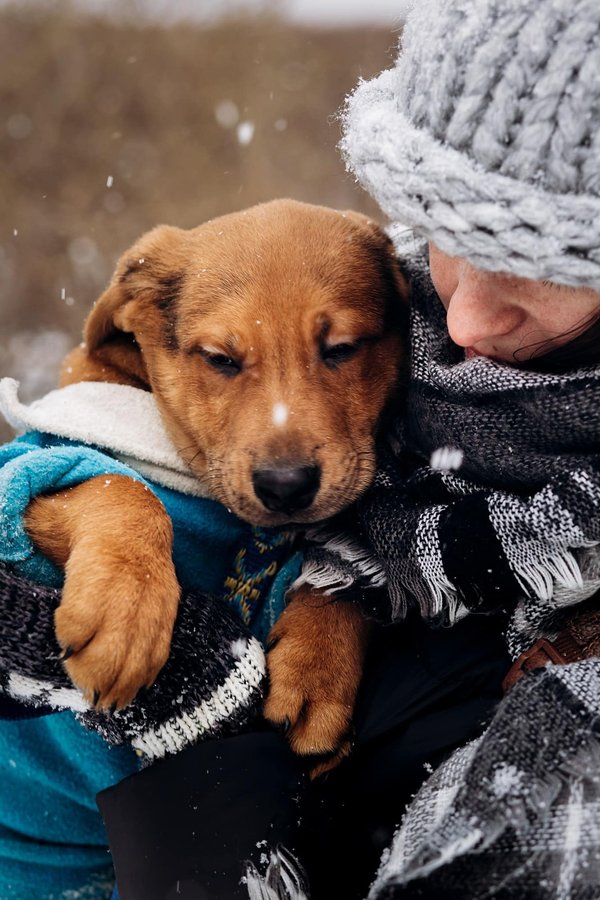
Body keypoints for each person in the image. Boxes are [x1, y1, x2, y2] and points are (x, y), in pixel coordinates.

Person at [1, 0, 600, 898]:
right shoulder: (131, 428)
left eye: (339, 349)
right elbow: (43, 483)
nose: (468, 319)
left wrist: (335, 622)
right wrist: (116, 528)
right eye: (223, 361)